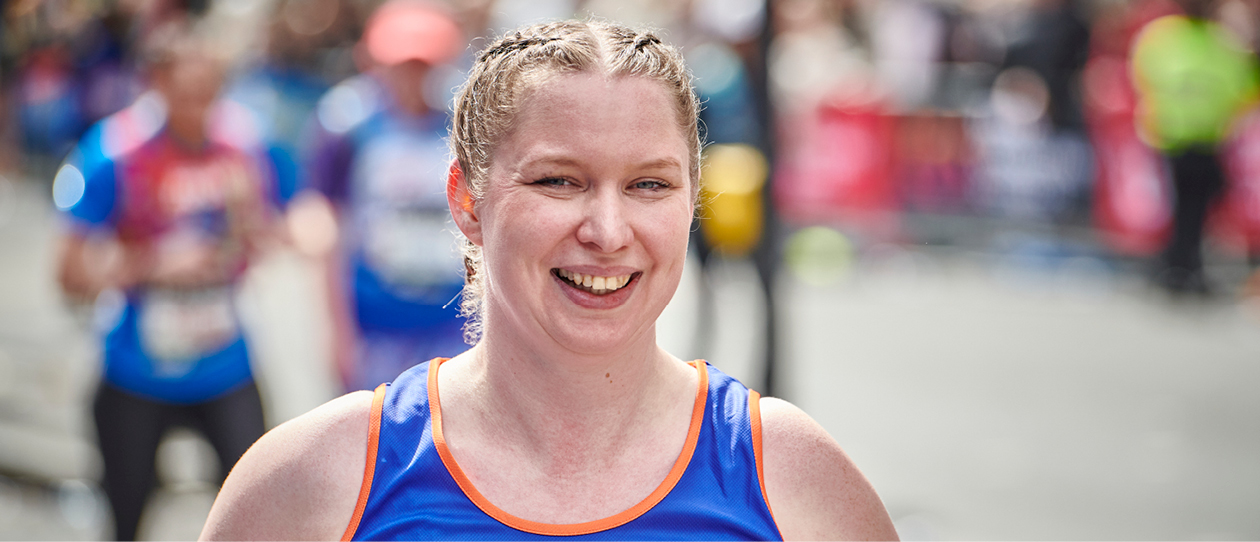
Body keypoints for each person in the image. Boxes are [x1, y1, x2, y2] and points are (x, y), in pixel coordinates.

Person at [200, 20, 898, 541]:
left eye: (649, 183)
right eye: (558, 180)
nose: (608, 228)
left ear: (692, 201)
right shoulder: (312, 482)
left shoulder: (790, 478)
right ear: (467, 201)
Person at [54, 36, 274, 541]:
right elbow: (67, 274)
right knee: (126, 519)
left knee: (261, 514)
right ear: (155, 84)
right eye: (188, 91)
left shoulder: (242, 144)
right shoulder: (113, 153)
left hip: (225, 367)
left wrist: (252, 228)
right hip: (135, 371)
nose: (202, 106)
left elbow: (271, 230)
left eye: (211, 90)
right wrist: (151, 264)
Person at [302, 0, 470, 392]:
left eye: (424, 64)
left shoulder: (464, 120)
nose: (412, 76)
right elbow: (327, 231)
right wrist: (336, 332)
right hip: (375, 323)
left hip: (453, 320)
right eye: (401, 64)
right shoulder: (345, 123)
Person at [1131, 0, 1259, 295]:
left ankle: (1183, 265)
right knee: (1177, 207)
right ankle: (1175, 265)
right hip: (1172, 137)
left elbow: (1244, 87)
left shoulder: (1219, 41)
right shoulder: (1168, 36)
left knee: (1196, 207)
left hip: (1205, 139)